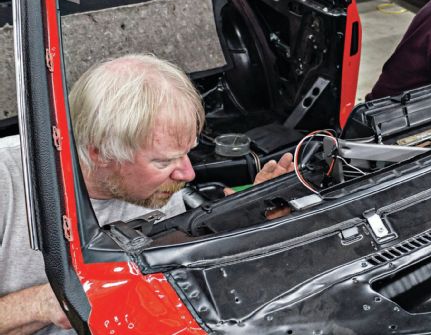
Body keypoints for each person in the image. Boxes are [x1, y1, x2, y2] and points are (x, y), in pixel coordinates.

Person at [0, 54, 294, 333]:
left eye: (187, 153)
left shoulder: (160, 188)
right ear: (99, 153)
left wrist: (246, 221)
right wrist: (43, 302)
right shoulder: (7, 182)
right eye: (163, 162)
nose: (188, 174)